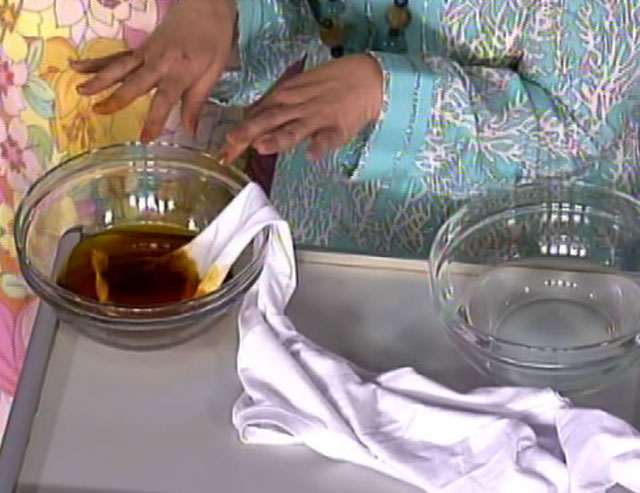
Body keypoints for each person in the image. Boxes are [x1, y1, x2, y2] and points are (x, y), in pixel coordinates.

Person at [71, 0, 640, 258]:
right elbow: (307, 16)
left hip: (529, 271)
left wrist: (385, 94)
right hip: (323, 233)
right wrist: (220, 13)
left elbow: (576, 131)